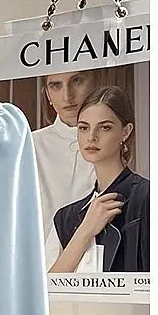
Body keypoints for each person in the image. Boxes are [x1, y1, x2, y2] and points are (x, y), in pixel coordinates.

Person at [48, 85, 150, 274]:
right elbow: (48, 286)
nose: (91, 137)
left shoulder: (146, 199)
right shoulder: (66, 218)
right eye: (84, 128)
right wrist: (86, 230)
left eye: (104, 127)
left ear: (126, 131)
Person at [31, 71, 98, 269]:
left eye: (76, 81)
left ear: (93, 83)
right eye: (56, 86)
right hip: (43, 271)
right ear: (47, 94)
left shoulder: (115, 143)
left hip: (100, 270)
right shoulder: (29, 146)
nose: (67, 96)